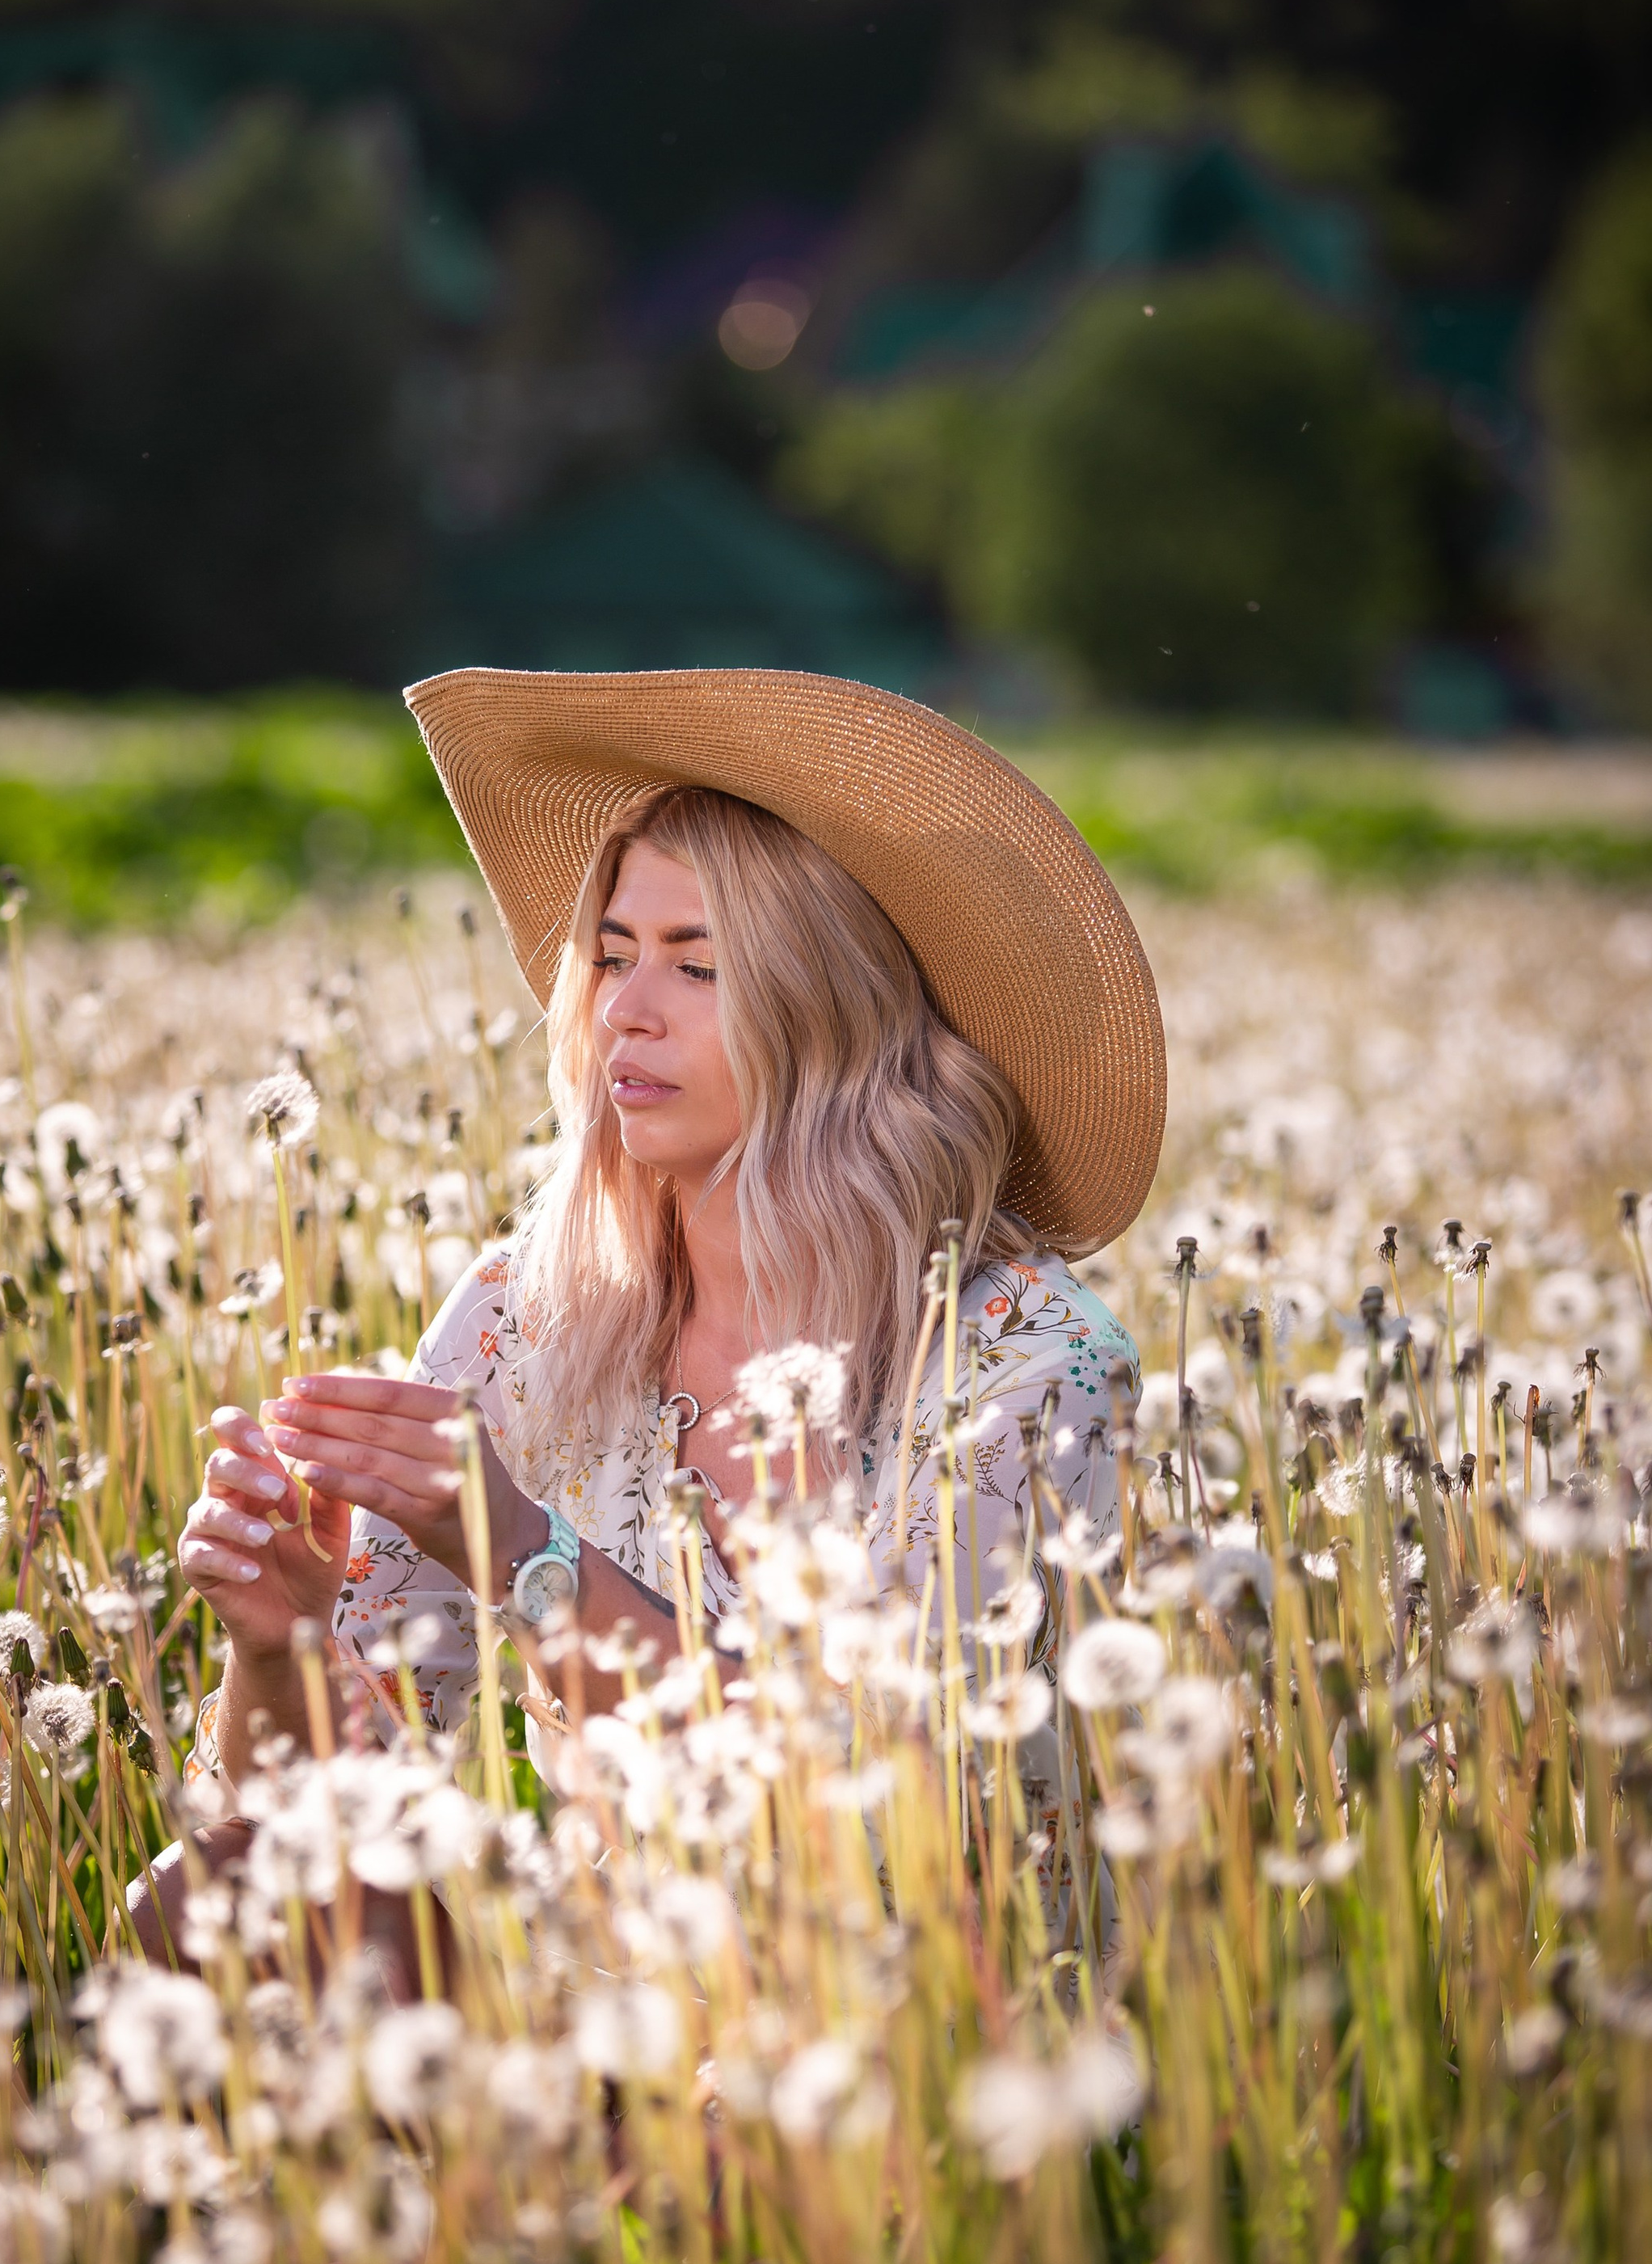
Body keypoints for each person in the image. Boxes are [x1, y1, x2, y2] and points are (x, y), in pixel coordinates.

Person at [175, 666, 1165, 1797]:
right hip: (582, 1923)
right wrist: (282, 1646)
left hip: (910, 1917)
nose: (623, 1010)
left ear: (838, 1014)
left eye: (697, 967)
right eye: (611, 955)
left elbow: (877, 1811)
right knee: (181, 1884)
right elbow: (293, 1823)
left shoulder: (1028, 1364)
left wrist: (525, 1554)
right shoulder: (521, 1315)